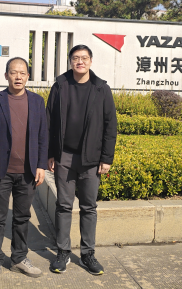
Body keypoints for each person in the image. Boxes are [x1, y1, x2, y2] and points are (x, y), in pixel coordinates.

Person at [47, 45, 117, 275]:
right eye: (76, 58)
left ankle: (88, 254)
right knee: (64, 205)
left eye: (84, 58)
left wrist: (106, 158)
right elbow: (49, 121)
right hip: (64, 156)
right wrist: (50, 153)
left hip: (91, 158)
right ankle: (63, 252)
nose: (80, 62)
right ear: (70, 61)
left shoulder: (101, 88)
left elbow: (110, 125)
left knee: (89, 207)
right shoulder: (60, 85)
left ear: (90, 61)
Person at [0, 57, 48, 286]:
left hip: (27, 172)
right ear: (6, 75)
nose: (18, 77)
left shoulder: (37, 102)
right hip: (1, 172)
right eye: (13, 72)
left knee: (22, 217)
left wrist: (41, 165)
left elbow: (43, 137)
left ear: (28, 76)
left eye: (22, 73)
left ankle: (19, 258)